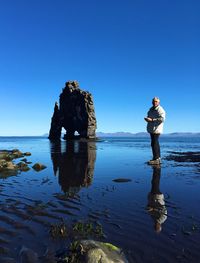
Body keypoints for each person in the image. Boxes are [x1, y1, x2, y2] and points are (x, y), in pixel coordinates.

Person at [144, 97, 166, 165]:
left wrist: (152, 120)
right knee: (153, 143)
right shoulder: (151, 109)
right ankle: (156, 158)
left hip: (157, 129)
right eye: (153, 101)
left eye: (156, 101)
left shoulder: (160, 109)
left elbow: (162, 119)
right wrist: (147, 119)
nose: (154, 102)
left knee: (155, 143)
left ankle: (157, 159)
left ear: (159, 102)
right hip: (152, 129)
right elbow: (149, 116)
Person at [146, 165, 167, 233]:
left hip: (152, 197)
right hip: (157, 197)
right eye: (157, 227)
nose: (155, 225)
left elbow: (150, 211)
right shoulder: (163, 218)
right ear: (160, 226)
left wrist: (148, 208)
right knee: (155, 182)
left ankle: (157, 169)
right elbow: (163, 209)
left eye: (155, 227)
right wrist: (153, 209)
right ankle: (157, 168)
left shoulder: (154, 219)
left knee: (153, 182)